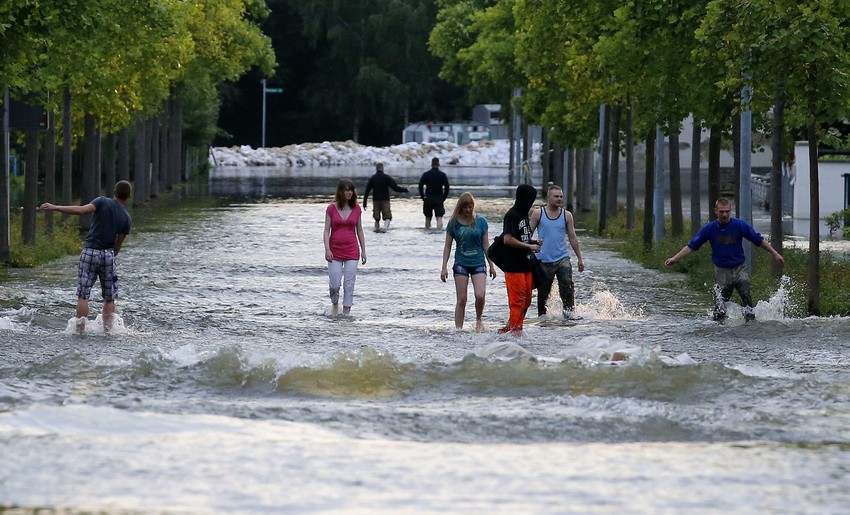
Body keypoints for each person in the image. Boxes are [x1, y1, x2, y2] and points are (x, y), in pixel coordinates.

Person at [665, 197, 785, 322]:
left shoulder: (739, 225)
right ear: (715, 211)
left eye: (727, 211)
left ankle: (750, 326)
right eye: (721, 212)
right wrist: (675, 258)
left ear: (730, 211)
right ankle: (719, 331)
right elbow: (692, 246)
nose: (724, 214)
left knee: (746, 297)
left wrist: (775, 254)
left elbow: (758, 240)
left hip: (739, 268)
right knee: (720, 308)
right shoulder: (710, 229)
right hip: (721, 271)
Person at [38, 180, 133, 334]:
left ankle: (80, 331)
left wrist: (55, 207)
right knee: (109, 298)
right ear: (128, 196)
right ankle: (108, 332)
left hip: (90, 251)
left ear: (114, 192)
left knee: (83, 295)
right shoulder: (127, 218)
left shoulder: (102, 201)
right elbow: (118, 246)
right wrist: (109, 256)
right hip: (108, 254)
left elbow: (81, 211)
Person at [440, 192, 497, 331]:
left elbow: (485, 245)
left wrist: (491, 265)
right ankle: (458, 329)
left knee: (480, 294)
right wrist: (444, 267)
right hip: (461, 264)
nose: (467, 210)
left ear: (473, 206)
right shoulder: (453, 223)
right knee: (462, 299)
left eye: (470, 207)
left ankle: (478, 320)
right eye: (465, 207)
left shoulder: (481, 221)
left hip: (478, 262)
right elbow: (447, 246)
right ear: (460, 207)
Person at [529, 184, 585, 318]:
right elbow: (527, 235)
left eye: (561, 196)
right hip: (543, 260)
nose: (559, 199)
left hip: (562, 258)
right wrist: (528, 249)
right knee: (543, 293)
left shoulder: (567, 215)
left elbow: (572, 237)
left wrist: (580, 258)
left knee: (567, 285)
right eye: (556, 196)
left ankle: (569, 315)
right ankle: (542, 317)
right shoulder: (538, 213)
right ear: (548, 197)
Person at [497, 184, 540, 336]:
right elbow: (508, 240)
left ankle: (511, 326)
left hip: (526, 265)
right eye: (530, 198)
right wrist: (529, 247)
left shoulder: (523, 215)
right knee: (518, 301)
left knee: (527, 300)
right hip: (513, 266)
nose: (531, 202)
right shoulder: (512, 215)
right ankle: (516, 332)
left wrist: (533, 242)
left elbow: (522, 237)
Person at [324, 178, 367, 315]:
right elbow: (326, 230)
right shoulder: (331, 208)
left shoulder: (357, 209)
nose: (349, 192)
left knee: (349, 283)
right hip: (334, 251)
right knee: (335, 284)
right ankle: (334, 303)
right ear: (341, 192)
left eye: (351, 190)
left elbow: (359, 230)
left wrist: (364, 251)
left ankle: (346, 312)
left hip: (352, 250)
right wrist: (327, 249)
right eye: (346, 190)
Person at [363, 163, 409, 232]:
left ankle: (376, 228)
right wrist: (405, 190)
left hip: (376, 200)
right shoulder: (387, 178)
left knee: (376, 218)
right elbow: (395, 188)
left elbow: (367, 191)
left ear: (376, 169)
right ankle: (385, 228)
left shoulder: (373, 178)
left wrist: (364, 203)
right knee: (387, 216)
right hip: (385, 200)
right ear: (382, 168)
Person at [418, 157, 450, 229]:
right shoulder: (442, 175)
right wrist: (443, 197)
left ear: (431, 164)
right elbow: (447, 187)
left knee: (428, 218)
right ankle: (439, 230)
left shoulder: (426, 174)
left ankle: (428, 230)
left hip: (428, 198)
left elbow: (420, 186)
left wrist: (423, 197)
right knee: (439, 217)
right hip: (438, 198)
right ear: (439, 164)